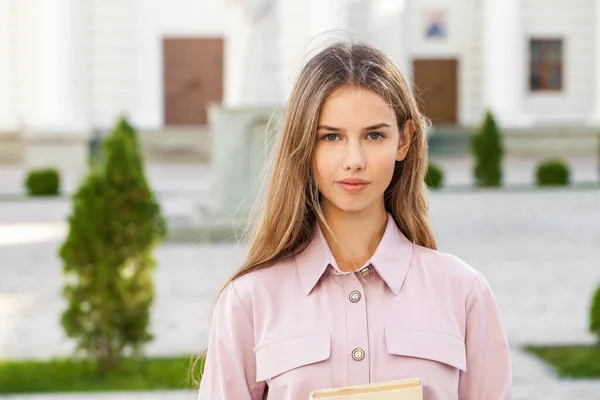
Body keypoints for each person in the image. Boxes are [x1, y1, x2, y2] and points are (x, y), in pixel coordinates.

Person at [197, 41, 512, 400]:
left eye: (374, 135)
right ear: (303, 143)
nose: (354, 160)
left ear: (404, 140)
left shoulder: (464, 293)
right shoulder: (249, 302)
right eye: (331, 137)